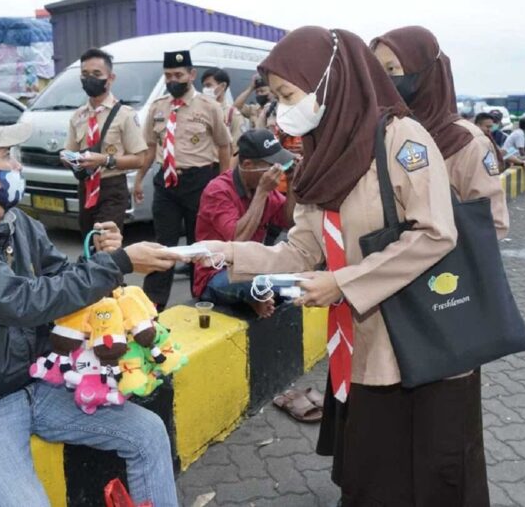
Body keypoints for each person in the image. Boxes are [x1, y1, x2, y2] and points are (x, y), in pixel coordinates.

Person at [199, 27, 487, 506]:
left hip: (423, 338)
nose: (285, 108)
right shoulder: (322, 151)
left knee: (433, 472)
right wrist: (225, 252)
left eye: (290, 94)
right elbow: (300, 250)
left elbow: (437, 232)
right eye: (277, 98)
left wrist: (342, 282)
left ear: (329, 80)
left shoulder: (401, 138)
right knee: (374, 474)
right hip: (365, 348)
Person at [0, 115, 183, 506]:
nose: (17, 165)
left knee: (148, 433)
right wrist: (119, 263)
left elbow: (64, 282)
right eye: (7, 156)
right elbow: (24, 301)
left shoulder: (19, 223)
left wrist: (104, 257)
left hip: (36, 383)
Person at [371, 26, 509, 238]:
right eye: (377, 71)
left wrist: (428, 243)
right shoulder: (378, 134)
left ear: (427, 74)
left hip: (441, 268)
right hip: (379, 265)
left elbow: (491, 223)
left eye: (392, 70)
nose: (382, 81)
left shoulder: (465, 142)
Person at [134, 50, 231, 309]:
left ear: (192, 75)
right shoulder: (158, 107)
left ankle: (201, 300)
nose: (173, 80)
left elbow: (224, 147)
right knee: (162, 246)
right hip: (166, 183)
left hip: (199, 181)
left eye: (178, 75)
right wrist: (139, 179)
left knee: (198, 245)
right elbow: (150, 148)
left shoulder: (209, 107)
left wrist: (224, 184)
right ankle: (152, 306)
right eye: (168, 75)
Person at [193, 129, 296, 318]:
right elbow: (237, 240)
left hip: (254, 269)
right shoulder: (218, 191)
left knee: (298, 282)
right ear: (248, 165)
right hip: (216, 275)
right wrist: (262, 193)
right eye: (272, 166)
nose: (278, 171)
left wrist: (291, 181)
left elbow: (289, 221)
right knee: (260, 284)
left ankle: (258, 298)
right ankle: (257, 297)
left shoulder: (263, 188)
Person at [64, 48, 148, 237]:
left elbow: (139, 159)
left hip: (112, 188)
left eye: (96, 74)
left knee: (105, 242)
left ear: (110, 78)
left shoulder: (125, 114)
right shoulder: (78, 116)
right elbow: (68, 150)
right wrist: (69, 158)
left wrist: (104, 160)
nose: (89, 79)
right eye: (84, 75)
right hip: (85, 186)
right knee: (88, 242)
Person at [201, 67, 249, 154]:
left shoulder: (232, 114)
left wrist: (227, 168)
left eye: (209, 85)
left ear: (222, 86)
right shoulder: (199, 110)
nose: (205, 90)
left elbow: (236, 151)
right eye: (204, 86)